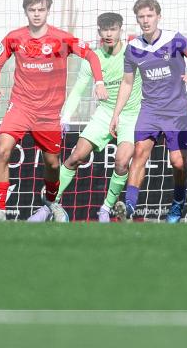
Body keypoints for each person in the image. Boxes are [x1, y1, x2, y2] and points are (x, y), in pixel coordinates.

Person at [0, 0, 106, 222]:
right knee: (2, 150)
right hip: (20, 106)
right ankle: (0, 210)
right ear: (26, 12)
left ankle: (52, 202)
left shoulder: (61, 39)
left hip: (49, 114)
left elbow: (91, 55)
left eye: (41, 10)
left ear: (47, 11)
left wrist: (99, 81)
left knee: (52, 164)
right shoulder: (14, 38)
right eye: (32, 10)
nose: (36, 14)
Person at [110, 0, 187, 223]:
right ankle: (128, 207)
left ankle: (177, 203)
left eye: (150, 16)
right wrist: (116, 114)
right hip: (150, 111)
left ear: (158, 16)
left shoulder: (175, 39)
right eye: (141, 17)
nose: (146, 21)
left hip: (176, 112)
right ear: (137, 19)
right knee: (139, 153)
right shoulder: (133, 48)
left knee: (178, 162)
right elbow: (127, 83)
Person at [54, 12, 142, 222]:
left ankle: (106, 208)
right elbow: (77, 91)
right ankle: (52, 202)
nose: (108, 34)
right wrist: (64, 118)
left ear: (120, 30)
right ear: (99, 32)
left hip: (131, 115)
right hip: (104, 114)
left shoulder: (134, 53)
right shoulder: (92, 59)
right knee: (76, 156)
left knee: (121, 162)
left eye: (113, 29)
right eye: (104, 30)